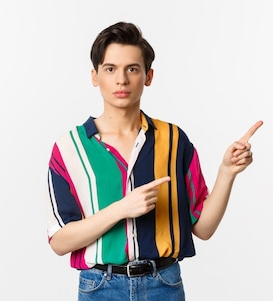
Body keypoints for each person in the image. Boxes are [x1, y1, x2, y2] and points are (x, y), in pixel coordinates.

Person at [45, 21, 263, 300]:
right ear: (95, 76)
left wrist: (227, 171)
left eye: (132, 69)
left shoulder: (174, 140)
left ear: (148, 76)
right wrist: (122, 208)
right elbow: (60, 241)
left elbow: (203, 228)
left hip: (164, 284)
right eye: (110, 69)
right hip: (100, 287)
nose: (121, 80)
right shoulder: (69, 149)